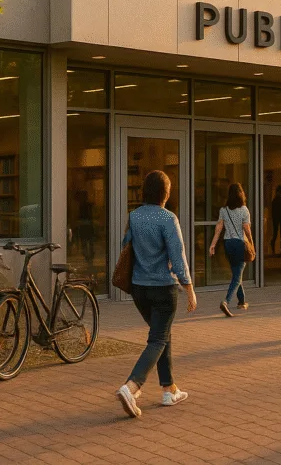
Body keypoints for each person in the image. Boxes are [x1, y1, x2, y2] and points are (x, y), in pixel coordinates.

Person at [116, 170, 197, 419]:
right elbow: (178, 256)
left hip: (139, 290)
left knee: (162, 334)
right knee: (158, 339)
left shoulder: (134, 216)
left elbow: (125, 246)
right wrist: (189, 288)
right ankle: (132, 386)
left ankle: (168, 389)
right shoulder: (167, 218)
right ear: (166, 193)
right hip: (163, 289)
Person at [209, 182, 252, 317]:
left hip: (228, 243)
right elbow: (247, 229)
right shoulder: (244, 210)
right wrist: (251, 242)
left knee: (236, 273)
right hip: (240, 243)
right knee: (237, 276)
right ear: (241, 194)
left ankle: (242, 302)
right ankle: (226, 301)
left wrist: (213, 244)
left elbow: (219, 228)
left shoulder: (224, 210)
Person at [270, 185, 281, 254]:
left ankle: (274, 247)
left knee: (275, 233)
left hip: (276, 217)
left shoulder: (275, 199)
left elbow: (273, 210)